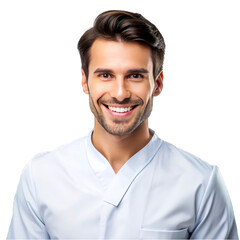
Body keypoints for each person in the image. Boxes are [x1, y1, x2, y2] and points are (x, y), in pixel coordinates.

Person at [7, 10, 238, 239]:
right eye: (105, 75)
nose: (120, 94)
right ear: (85, 80)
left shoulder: (200, 183)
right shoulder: (41, 177)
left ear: (157, 84)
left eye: (135, 76)